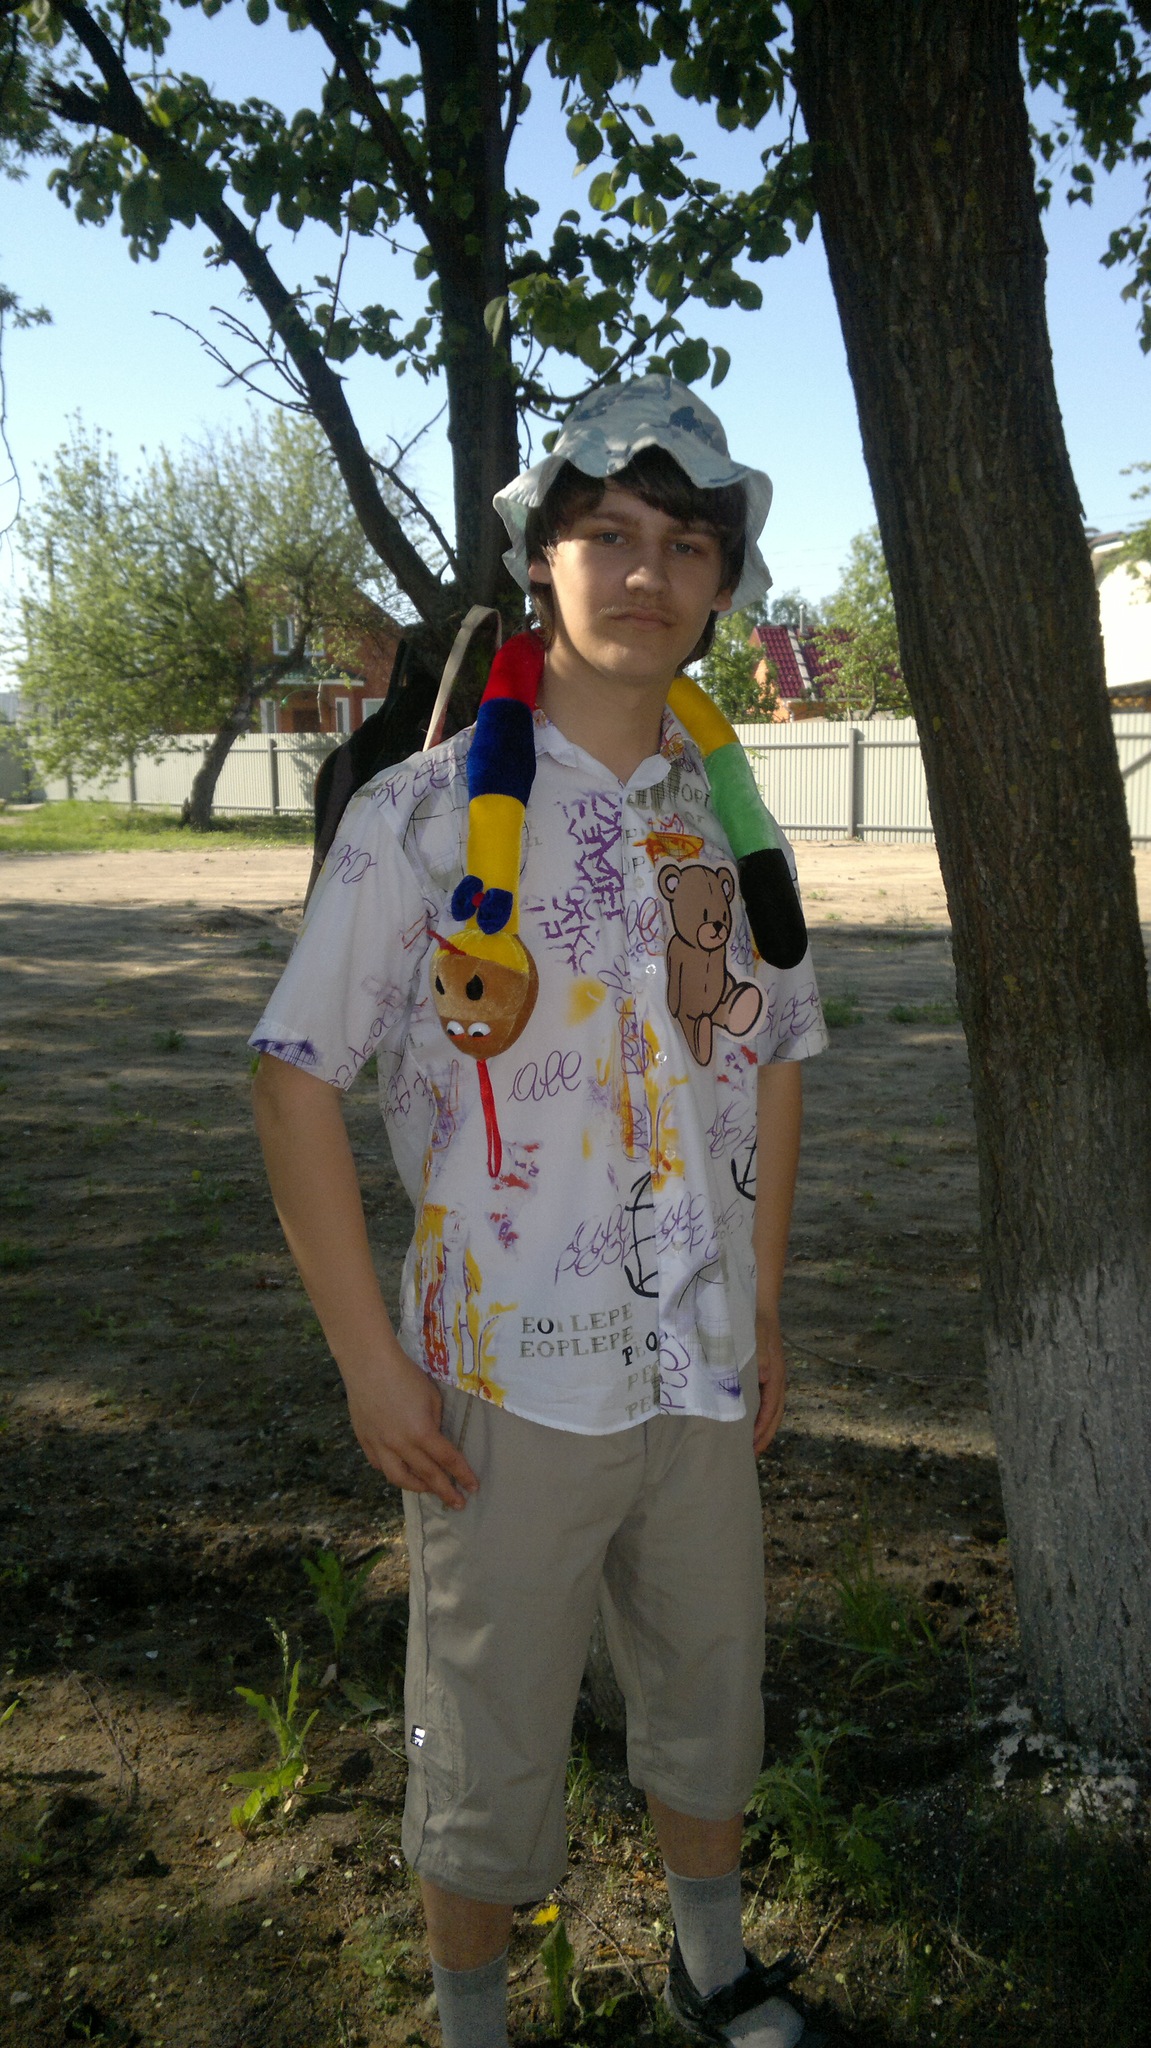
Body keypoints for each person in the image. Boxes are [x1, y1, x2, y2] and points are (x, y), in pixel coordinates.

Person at [250, 375, 830, 2048]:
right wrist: (371, 1367)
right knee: (489, 1732)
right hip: (506, 1377)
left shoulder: (730, 826)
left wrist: (763, 1298)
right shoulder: (423, 819)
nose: (648, 573)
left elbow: (775, 1059)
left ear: (721, 585)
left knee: (710, 1682)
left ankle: (709, 1963)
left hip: (700, 1364)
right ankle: (471, 2024)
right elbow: (294, 1076)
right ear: (541, 563)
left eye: (686, 545)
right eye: (611, 536)